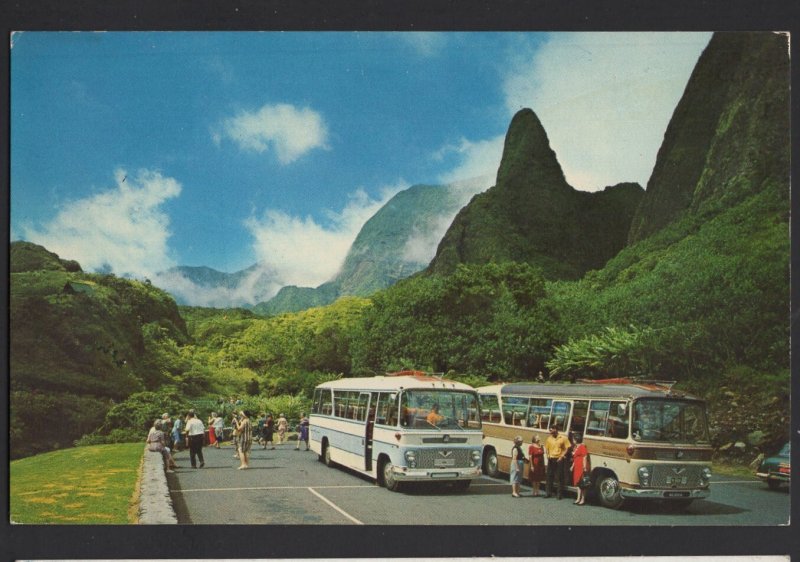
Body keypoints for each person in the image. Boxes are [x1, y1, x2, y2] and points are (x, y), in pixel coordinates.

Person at [544, 425, 571, 499]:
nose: (551, 432)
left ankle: (559, 494)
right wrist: (548, 455)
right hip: (551, 458)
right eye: (550, 431)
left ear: (556, 430)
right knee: (549, 476)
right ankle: (548, 493)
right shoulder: (549, 438)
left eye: (552, 430)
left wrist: (562, 456)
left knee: (559, 477)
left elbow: (567, 448)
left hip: (559, 459)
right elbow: (547, 448)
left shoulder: (563, 438)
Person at [571, 434, 590, 505]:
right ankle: (578, 498)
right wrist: (572, 466)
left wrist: (584, 467)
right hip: (576, 466)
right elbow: (575, 458)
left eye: (573, 439)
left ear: (576, 440)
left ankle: (582, 499)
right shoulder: (576, 447)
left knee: (582, 484)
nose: (573, 441)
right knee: (578, 484)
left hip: (581, 467)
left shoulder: (582, 447)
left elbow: (585, 457)